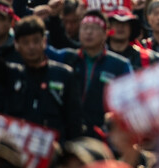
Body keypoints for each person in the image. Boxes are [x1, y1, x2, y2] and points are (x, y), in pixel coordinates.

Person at [56, 10, 133, 138]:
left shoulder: (121, 65)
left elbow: (129, 102)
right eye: (85, 28)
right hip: (68, 134)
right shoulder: (66, 57)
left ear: (105, 34)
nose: (88, 32)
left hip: (103, 138)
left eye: (94, 28)